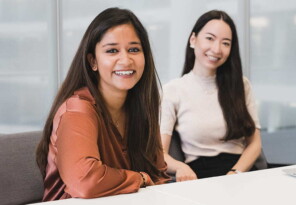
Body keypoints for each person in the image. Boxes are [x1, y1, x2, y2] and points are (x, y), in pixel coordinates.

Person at [35, 7, 170, 201]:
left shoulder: (142, 108)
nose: (125, 59)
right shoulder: (78, 109)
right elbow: (85, 181)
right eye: (112, 50)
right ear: (93, 62)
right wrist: (139, 178)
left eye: (134, 49)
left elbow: (158, 177)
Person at [160, 10, 262, 181]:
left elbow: (254, 144)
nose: (216, 49)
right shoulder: (173, 90)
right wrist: (180, 167)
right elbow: (160, 154)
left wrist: (235, 174)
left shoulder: (241, 85)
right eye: (210, 38)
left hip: (241, 173)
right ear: (193, 40)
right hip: (201, 177)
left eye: (226, 43)